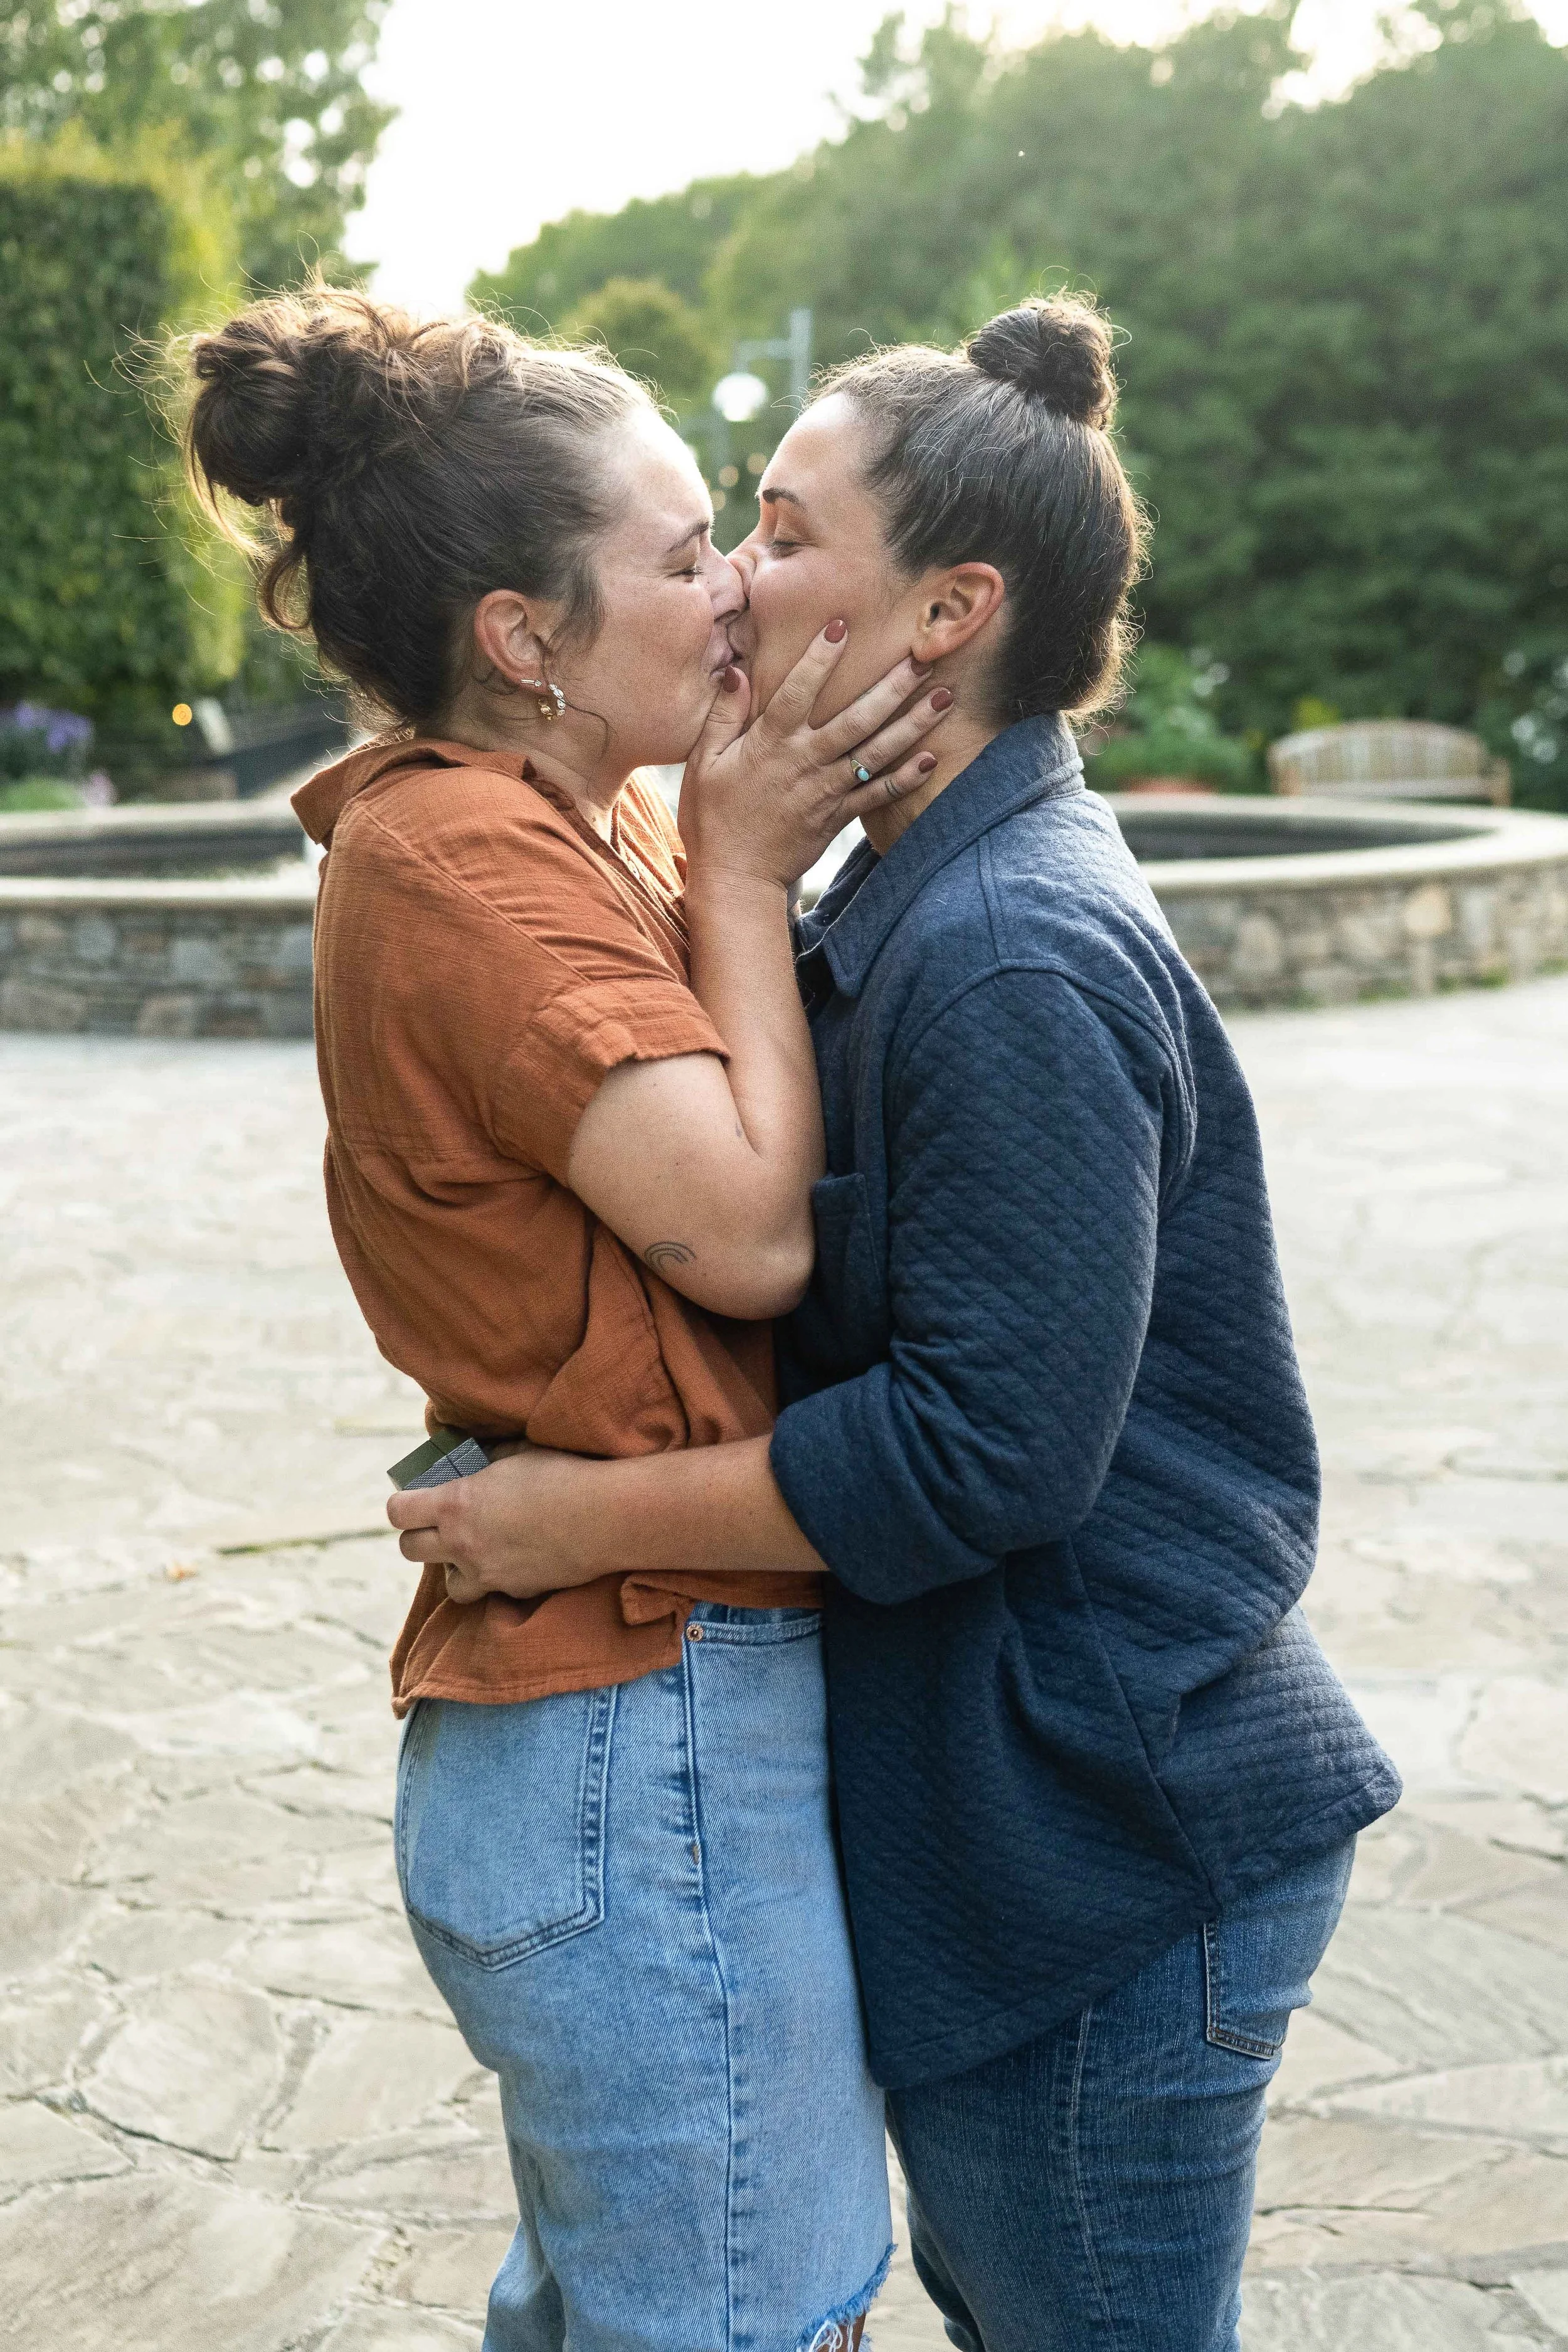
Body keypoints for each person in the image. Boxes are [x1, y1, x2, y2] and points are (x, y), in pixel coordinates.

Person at [391, 297, 1402, 2352]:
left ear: (945, 611)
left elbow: (984, 1453)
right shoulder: (907, 894)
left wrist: (566, 1524)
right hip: (1027, 1833)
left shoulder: (1016, 948)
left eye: (775, 530)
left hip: (1113, 1853)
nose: (733, 583)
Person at [183, 287, 956, 2352]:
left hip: (637, 1719)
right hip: (635, 1730)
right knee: (746, 2318)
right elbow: (745, 1233)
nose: (729, 594)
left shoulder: (568, 806)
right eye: (685, 550)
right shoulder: (454, 859)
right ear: (522, 635)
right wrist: (741, 864)